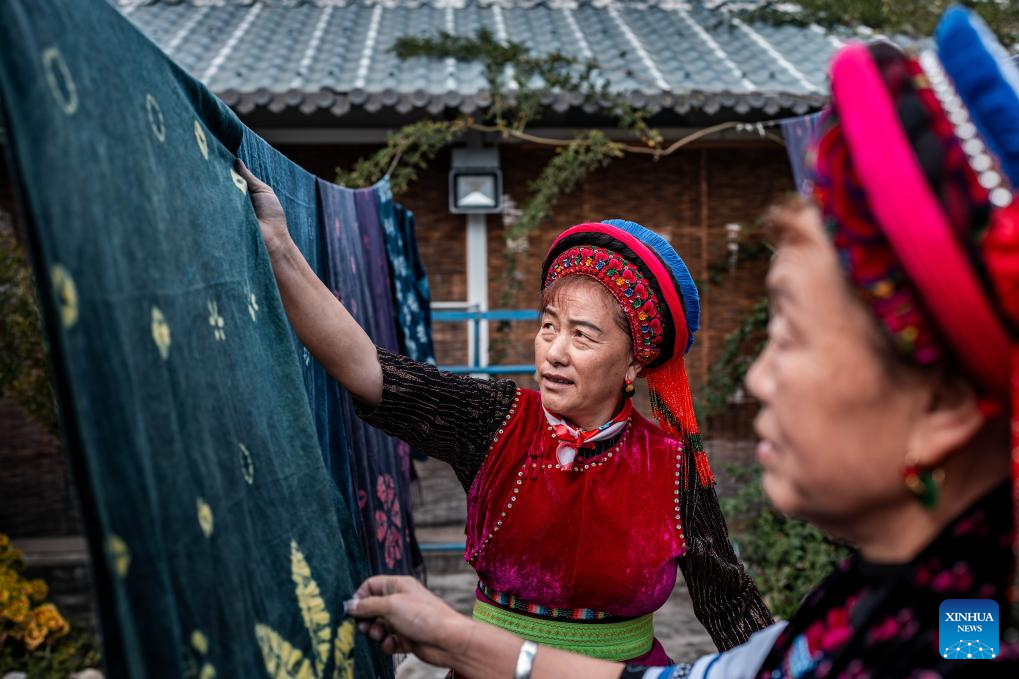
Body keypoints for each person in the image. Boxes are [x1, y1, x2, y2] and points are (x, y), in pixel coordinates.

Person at [339, 7, 1019, 678]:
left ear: (942, 406)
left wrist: (462, 643)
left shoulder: (955, 635)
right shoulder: (880, 611)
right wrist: (459, 641)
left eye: (794, 337)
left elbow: (724, 618)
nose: (756, 380)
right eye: (549, 325)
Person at [237, 169, 771, 661]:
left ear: (634, 361)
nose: (554, 352)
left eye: (582, 335)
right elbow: (368, 369)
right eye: (548, 326)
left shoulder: (672, 465)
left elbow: (729, 603)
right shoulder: (494, 419)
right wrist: (279, 247)